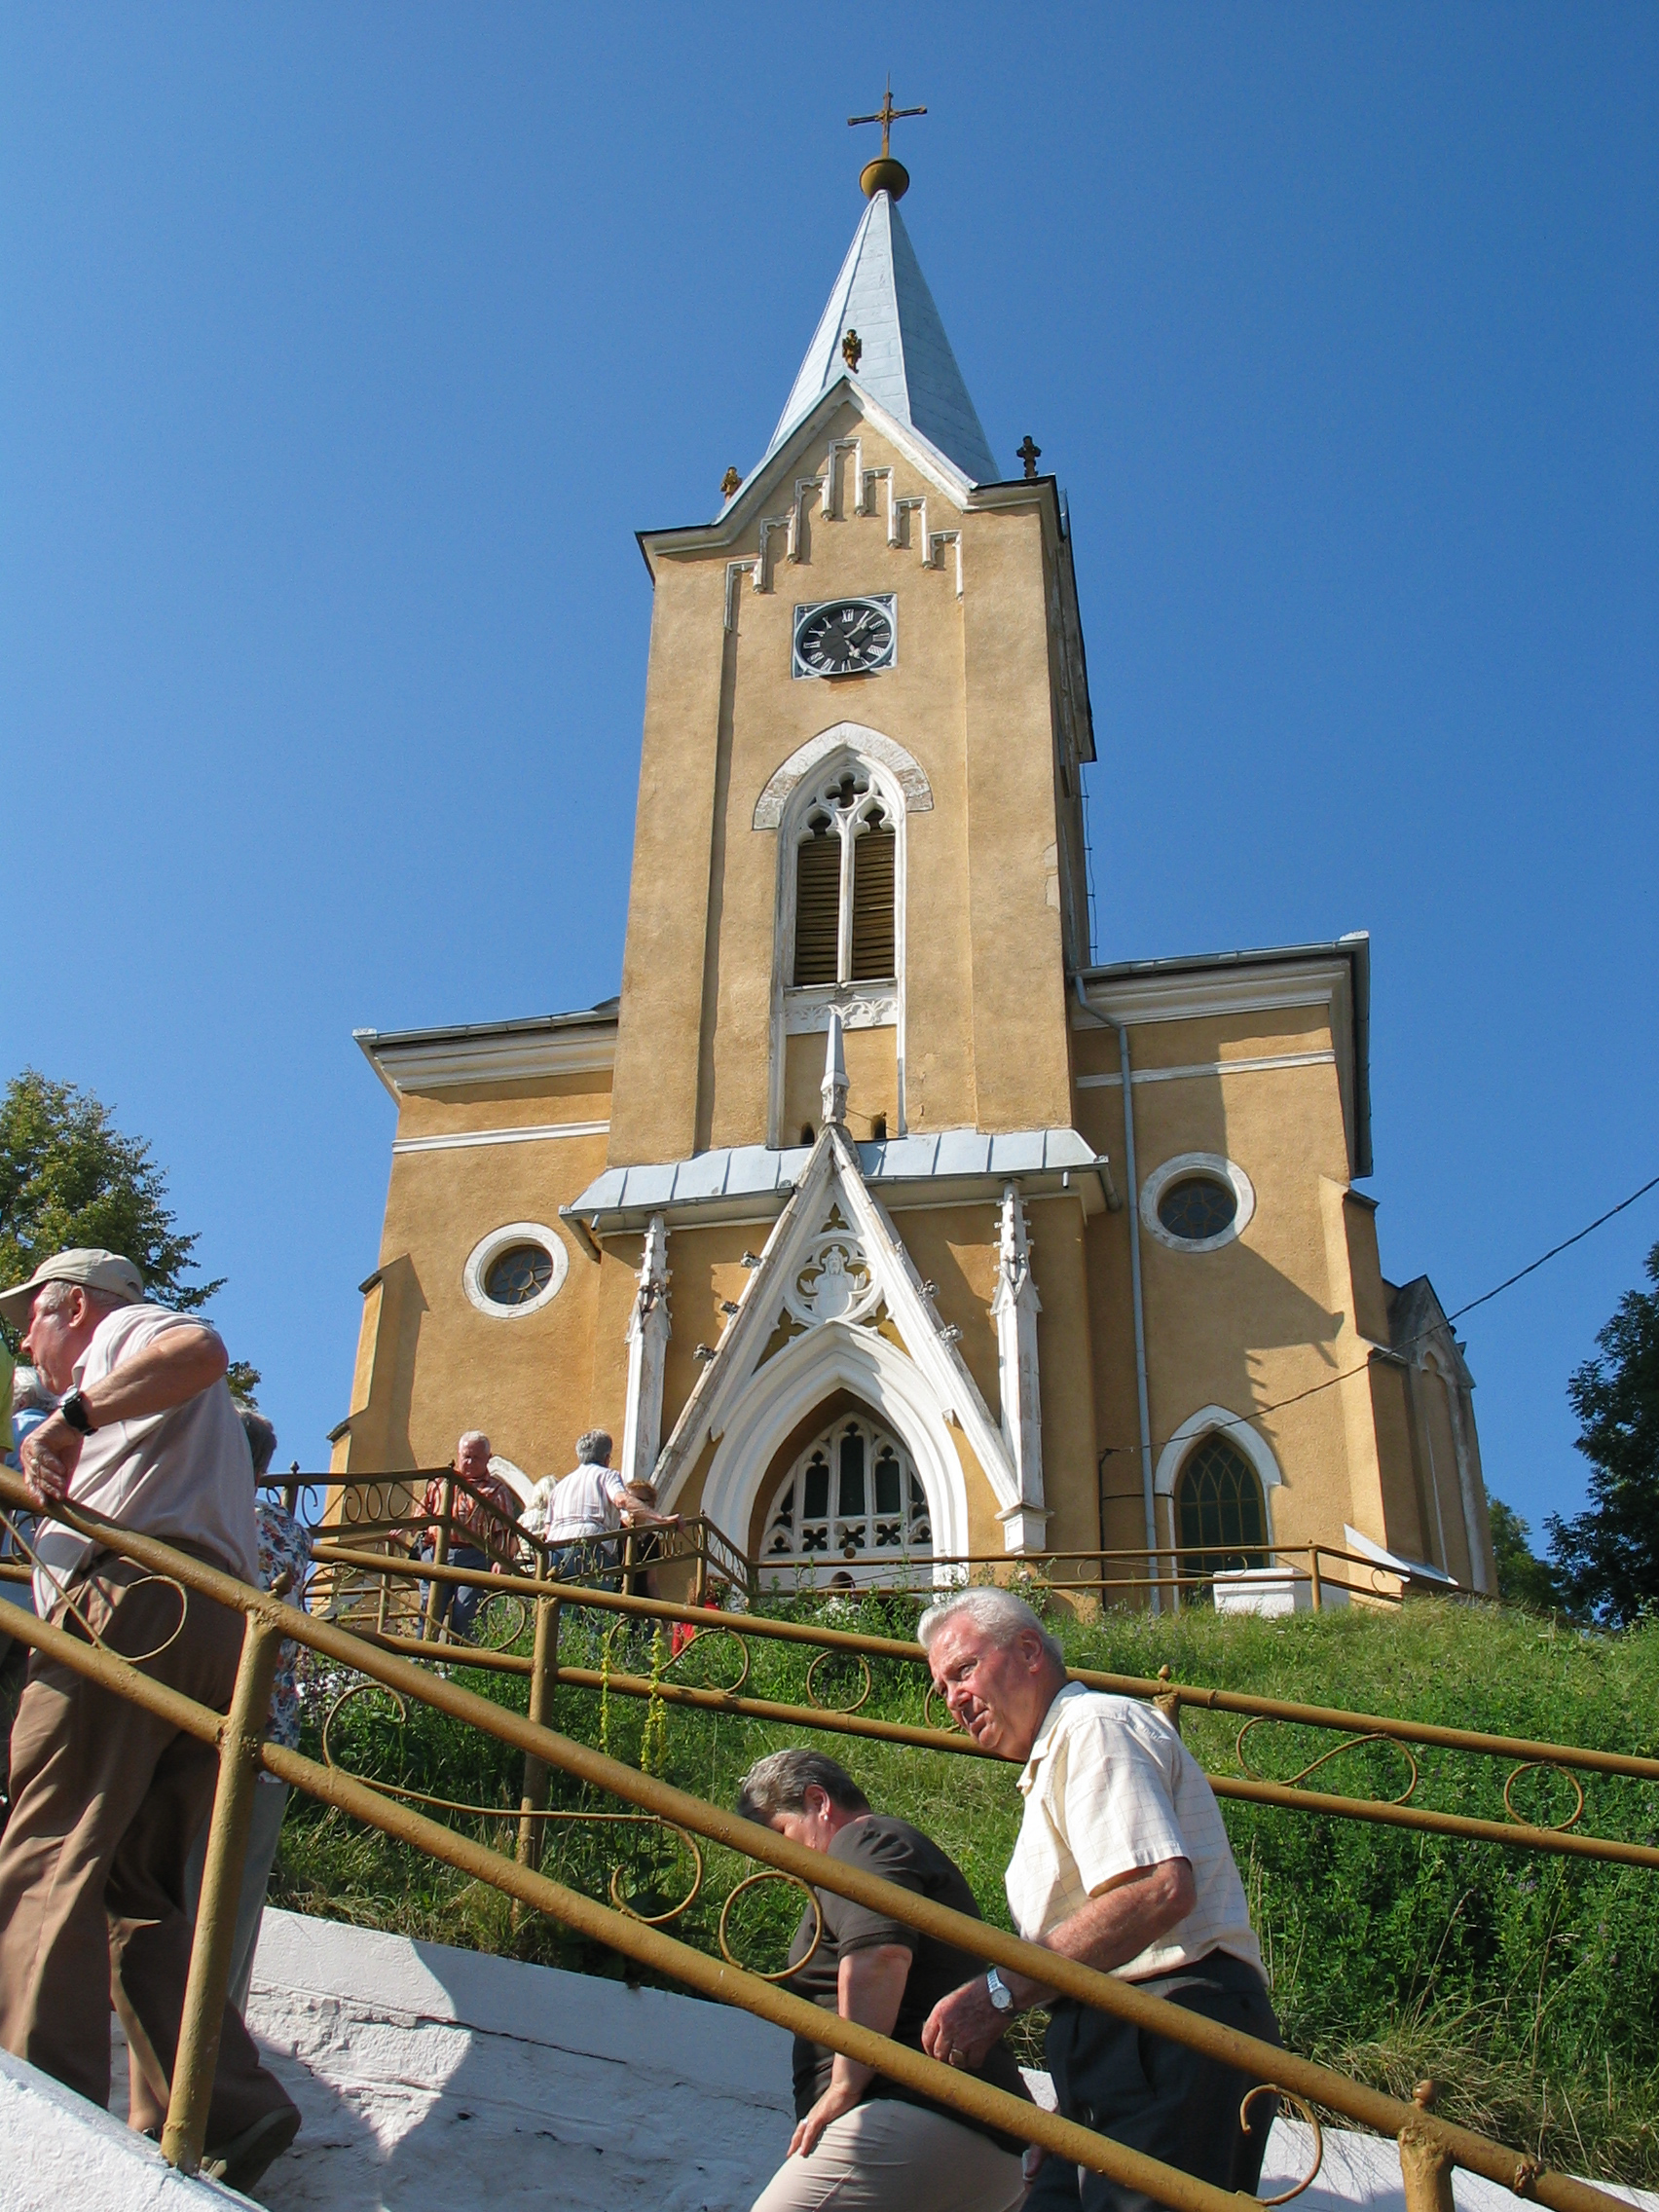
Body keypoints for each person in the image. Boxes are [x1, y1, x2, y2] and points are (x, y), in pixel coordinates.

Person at [0, 1249, 300, 2194]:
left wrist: (70, 1418)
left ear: (73, 1306)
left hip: (131, 1605)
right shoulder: (181, 1420)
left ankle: (39, 2104)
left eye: (30, 1322)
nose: (26, 1344)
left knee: (50, 1845)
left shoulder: (123, 1333)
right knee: (141, 1888)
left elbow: (200, 1347)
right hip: (213, 1626)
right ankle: (222, 2105)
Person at [916, 1589, 1281, 2212]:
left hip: (1168, 2025)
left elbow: (1155, 1889)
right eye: (943, 1687)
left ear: (1029, 1650)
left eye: (964, 1670)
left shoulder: (1092, 1727)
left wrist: (999, 1992)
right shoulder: (1059, 1752)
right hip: (1121, 2044)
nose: (953, 1698)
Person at [736, 1748, 1028, 2212]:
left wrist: (844, 2086)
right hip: (960, 2129)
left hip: (913, 2111)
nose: (779, 1859)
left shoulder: (861, 1841)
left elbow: (880, 1956)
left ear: (818, 1801)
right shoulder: (870, 1851)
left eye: (780, 1834)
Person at [179, 1406, 311, 2015]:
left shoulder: (197, 1509)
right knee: (239, 1884)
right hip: (269, 1724)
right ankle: (218, 2027)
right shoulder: (289, 1531)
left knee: (180, 1875)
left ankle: (177, 2025)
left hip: (195, 1715)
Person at [542, 1430, 679, 1586]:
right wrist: (660, 1518)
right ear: (606, 1457)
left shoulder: (560, 1486)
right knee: (593, 1599)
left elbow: (547, 1530)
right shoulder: (607, 1475)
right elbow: (622, 1499)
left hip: (555, 1551)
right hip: (591, 1548)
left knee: (560, 1598)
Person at [418, 1431, 518, 1640]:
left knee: (466, 1616)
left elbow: (505, 1532)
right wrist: (404, 1528)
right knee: (429, 1613)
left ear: (488, 1458)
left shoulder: (497, 1490)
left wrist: (502, 1559)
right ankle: (419, 1656)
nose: (469, 1462)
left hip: (474, 1558)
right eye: (466, 1456)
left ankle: (460, 1658)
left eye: (476, 1457)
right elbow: (421, 1515)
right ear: (458, 1455)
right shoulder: (442, 1483)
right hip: (437, 1553)